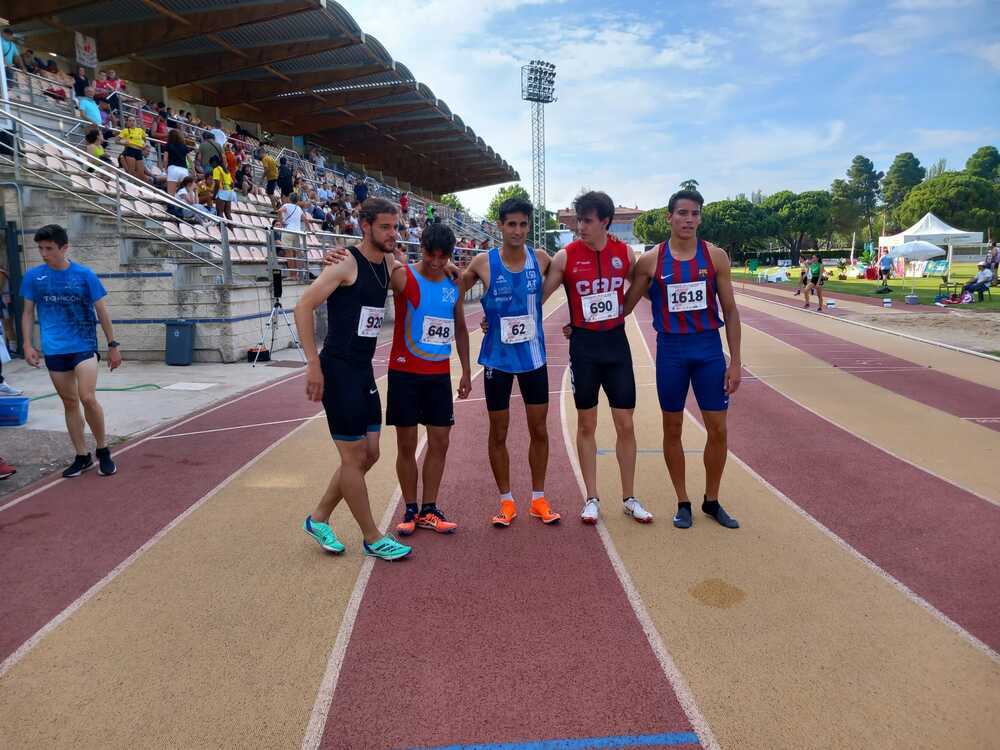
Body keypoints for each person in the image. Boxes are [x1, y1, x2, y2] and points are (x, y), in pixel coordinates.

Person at [293, 198, 412, 561]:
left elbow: (416, 274)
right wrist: (313, 364)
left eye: (396, 226)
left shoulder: (390, 262)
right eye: (385, 227)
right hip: (339, 368)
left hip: (364, 370)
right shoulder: (344, 262)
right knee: (353, 455)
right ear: (365, 227)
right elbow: (303, 305)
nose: (394, 233)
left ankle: (318, 518)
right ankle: (373, 537)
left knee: (369, 454)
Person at [622, 190, 742, 530]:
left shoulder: (715, 257)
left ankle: (712, 500)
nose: (689, 219)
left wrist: (735, 362)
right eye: (683, 213)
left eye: (695, 214)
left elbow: (731, 312)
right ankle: (683, 501)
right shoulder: (650, 261)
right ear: (669, 217)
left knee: (718, 429)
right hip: (671, 351)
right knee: (671, 426)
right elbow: (626, 304)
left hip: (708, 351)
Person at [536, 191, 652, 525]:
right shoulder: (566, 256)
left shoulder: (623, 253)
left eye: (586, 221)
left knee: (625, 423)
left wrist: (621, 311)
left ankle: (629, 498)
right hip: (584, 350)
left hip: (616, 346)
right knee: (587, 424)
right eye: (577, 220)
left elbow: (641, 284)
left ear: (605, 222)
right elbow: (539, 298)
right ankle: (592, 497)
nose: (580, 227)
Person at [459, 197, 559, 527]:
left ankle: (538, 499)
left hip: (533, 360)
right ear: (500, 226)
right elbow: (451, 292)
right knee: (499, 431)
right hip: (497, 361)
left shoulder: (541, 259)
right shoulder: (483, 263)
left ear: (529, 226)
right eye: (511, 224)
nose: (518, 230)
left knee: (539, 429)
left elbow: (574, 277)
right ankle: (506, 501)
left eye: (523, 224)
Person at [386, 224, 472, 535]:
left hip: (438, 376)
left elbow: (460, 328)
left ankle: (429, 508)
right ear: (420, 247)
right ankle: (410, 508)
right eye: (430, 254)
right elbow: (375, 260)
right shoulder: (403, 277)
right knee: (406, 444)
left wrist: (464, 370)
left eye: (443, 256)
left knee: (440, 441)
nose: (436, 261)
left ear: (451, 255)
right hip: (404, 373)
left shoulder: (454, 281)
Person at [19, 225, 122, 478]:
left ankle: (103, 450)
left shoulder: (84, 275)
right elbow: (28, 313)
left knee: (87, 397)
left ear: (64, 248)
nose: (44, 254)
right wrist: (27, 344)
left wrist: (112, 345)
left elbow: (102, 311)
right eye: (40, 249)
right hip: (54, 348)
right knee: (69, 402)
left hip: (83, 345)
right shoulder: (34, 277)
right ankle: (81, 455)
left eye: (49, 249)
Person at [116, 115, 146, 181]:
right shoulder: (125, 130)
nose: (132, 122)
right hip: (130, 150)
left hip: (139, 151)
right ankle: (131, 185)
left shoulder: (140, 130)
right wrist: (124, 142)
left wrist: (143, 144)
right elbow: (116, 141)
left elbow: (144, 139)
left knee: (141, 173)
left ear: (136, 122)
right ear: (127, 123)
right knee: (131, 172)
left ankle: (138, 186)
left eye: (133, 121)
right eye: (130, 121)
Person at [162, 128, 190, 195]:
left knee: (171, 195)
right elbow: (189, 160)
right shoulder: (184, 146)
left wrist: (165, 170)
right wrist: (193, 172)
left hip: (173, 168)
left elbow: (165, 159)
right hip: (184, 170)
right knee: (183, 194)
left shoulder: (168, 145)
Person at [209, 155, 234, 221]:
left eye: (211, 164)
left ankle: (222, 230)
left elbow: (217, 184)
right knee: (228, 213)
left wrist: (214, 196)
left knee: (220, 212)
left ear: (214, 162)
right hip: (229, 192)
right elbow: (232, 184)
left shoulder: (216, 169)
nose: (211, 166)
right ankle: (231, 230)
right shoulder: (226, 170)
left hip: (222, 192)